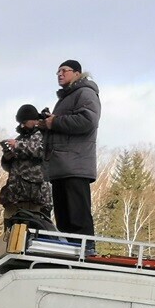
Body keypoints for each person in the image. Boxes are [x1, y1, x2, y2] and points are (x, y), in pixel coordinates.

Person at [36, 59, 100, 240]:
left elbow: (88, 121)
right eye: (57, 72)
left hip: (75, 166)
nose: (60, 74)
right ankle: (71, 256)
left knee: (78, 218)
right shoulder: (66, 98)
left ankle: (85, 255)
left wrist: (55, 121)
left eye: (64, 70)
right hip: (60, 167)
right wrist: (45, 124)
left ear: (77, 73)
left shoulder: (85, 93)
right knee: (64, 221)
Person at [0, 104, 52, 225]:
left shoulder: (44, 135)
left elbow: (41, 151)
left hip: (36, 197)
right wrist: (7, 158)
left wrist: (17, 146)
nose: (22, 125)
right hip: (14, 197)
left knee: (32, 235)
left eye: (24, 122)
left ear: (34, 120)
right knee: (10, 237)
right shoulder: (20, 137)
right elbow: (8, 168)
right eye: (20, 122)